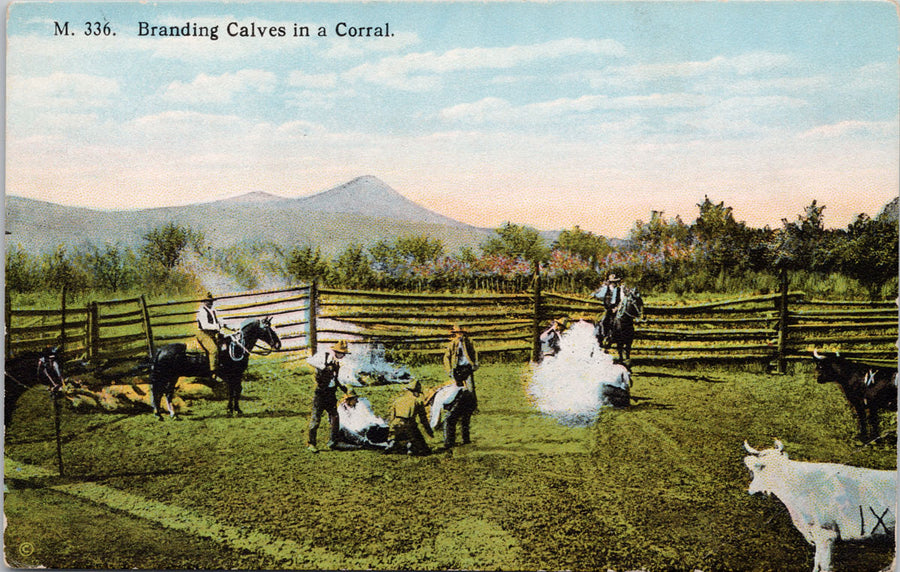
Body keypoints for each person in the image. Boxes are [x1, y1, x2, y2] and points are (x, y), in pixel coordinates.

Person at [305, 341, 350, 453]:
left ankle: (333, 442)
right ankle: (311, 443)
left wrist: (343, 388)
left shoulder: (337, 363)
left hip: (331, 394)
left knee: (335, 417)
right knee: (316, 419)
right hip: (320, 394)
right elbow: (309, 360)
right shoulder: (323, 356)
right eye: (342, 353)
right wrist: (323, 367)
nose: (343, 356)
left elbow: (336, 378)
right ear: (337, 352)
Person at [441, 324, 479, 448]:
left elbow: (475, 353)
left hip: (467, 367)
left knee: (470, 388)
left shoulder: (469, 343)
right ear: (455, 334)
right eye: (458, 333)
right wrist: (449, 370)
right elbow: (446, 357)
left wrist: (475, 364)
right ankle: (455, 405)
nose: (460, 335)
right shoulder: (452, 344)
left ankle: (472, 407)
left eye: (461, 333)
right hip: (457, 368)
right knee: (457, 389)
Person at [385, 380, 433, 456]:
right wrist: (429, 431)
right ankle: (411, 447)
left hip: (395, 423)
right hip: (408, 424)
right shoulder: (417, 401)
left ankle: (392, 443)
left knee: (395, 435)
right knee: (422, 445)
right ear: (416, 392)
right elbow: (423, 420)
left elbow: (392, 417)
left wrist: (390, 428)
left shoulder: (398, 400)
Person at [196, 292, 224, 378]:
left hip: (212, 333)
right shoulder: (202, 311)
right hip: (204, 334)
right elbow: (205, 325)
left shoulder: (212, 311)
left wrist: (227, 326)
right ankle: (213, 373)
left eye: (211, 301)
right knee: (213, 350)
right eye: (208, 301)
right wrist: (217, 327)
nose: (211, 303)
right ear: (204, 302)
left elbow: (219, 321)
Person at [591, 274, 623, 345]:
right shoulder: (606, 289)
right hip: (607, 308)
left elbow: (621, 300)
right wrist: (595, 293)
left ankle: (619, 336)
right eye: (612, 282)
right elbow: (599, 295)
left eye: (615, 282)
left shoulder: (619, 289)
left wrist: (617, 307)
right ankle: (603, 334)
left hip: (616, 308)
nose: (614, 283)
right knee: (603, 321)